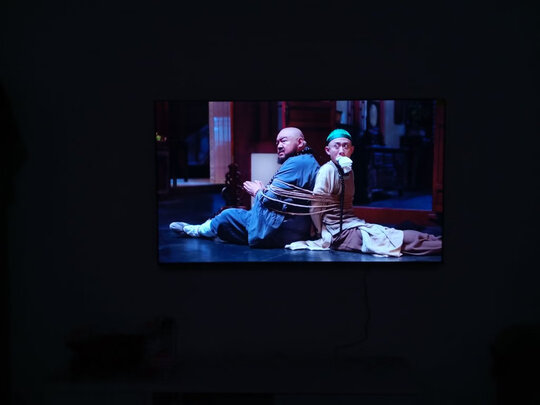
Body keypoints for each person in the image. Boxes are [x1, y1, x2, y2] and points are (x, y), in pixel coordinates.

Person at [285, 128, 442, 257]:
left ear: (352, 150)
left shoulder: (348, 171)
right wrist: (322, 233)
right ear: (328, 150)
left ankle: (437, 240)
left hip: (353, 224)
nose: (341, 151)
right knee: (397, 241)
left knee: (389, 233)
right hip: (338, 232)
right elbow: (315, 205)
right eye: (336, 146)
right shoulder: (327, 170)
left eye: (346, 146)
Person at [169, 127, 320, 248]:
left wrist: (258, 191)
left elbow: (271, 200)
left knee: (227, 215)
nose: (279, 146)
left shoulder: (296, 163)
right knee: (232, 218)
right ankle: (206, 229)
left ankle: (196, 231)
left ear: (300, 143)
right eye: (277, 142)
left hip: (280, 230)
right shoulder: (307, 161)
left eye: (284, 141)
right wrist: (264, 191)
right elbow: (284, 197)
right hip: (296, 229)